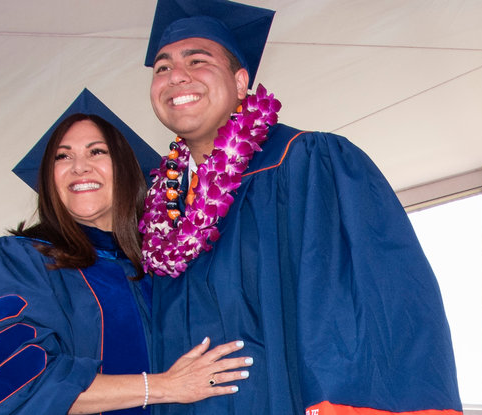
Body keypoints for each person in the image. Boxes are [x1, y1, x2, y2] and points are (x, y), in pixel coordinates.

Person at [137, 1, 465, 414]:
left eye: (197, 60)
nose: (176, 76)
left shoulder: (306, 162)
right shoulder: (158, 208)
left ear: (241, 83)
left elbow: (371, 304)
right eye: (162, 68)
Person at [0, 89, 253, 415]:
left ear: (124, 170)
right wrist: (164, 386)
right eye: (63, 156)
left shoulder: (161, 272)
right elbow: (14, 383)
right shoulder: (20, 261)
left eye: (97, 152)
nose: (79, 167)